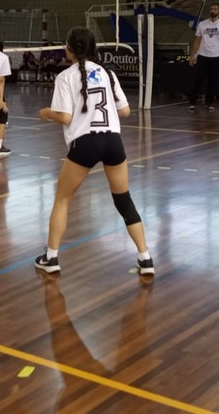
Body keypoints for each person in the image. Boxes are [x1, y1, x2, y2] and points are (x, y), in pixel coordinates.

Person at [35, 27, 153, 276]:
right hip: (113, 140)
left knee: (62, 199)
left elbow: (65, 117)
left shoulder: (66, 77)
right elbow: (125, 111)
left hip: (85, 142)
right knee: (123, 199)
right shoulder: (107, 73)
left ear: (71, 49)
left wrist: (47, 113)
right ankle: (145, 258)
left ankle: (51, 257)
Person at [187, 3, 219, 112]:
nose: (213, 11)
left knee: (213, 81)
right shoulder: (202, 24)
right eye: (211, 9)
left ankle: (209, 103)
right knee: (198, 79)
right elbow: (197, 40)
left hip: (216, 57)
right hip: (203, 56)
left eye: (215, 9)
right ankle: (192, 101)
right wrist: (192, 56)